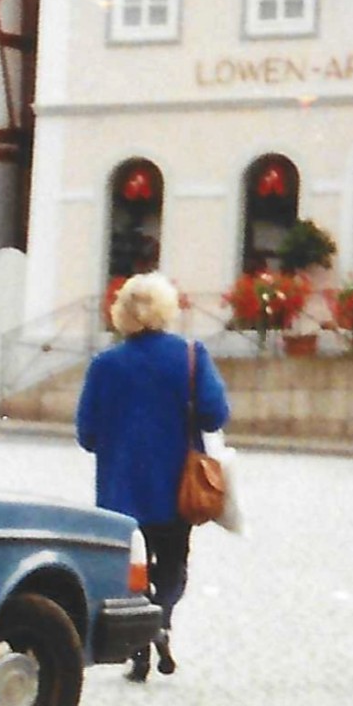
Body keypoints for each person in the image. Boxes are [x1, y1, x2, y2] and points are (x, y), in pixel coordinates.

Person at [74, 271, 229, 679]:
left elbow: (86, 433)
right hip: (176, 487)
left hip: (120, 493)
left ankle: (141, 644)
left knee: (132, 569)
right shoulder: (191, 355)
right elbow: (215, 414)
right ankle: (162, 619)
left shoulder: (104, 364)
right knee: (174, 563)